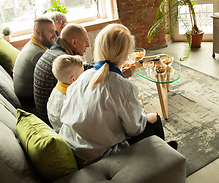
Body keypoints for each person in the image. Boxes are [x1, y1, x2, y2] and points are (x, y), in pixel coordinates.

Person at [58, 23, 175, 168]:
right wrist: (139, 105)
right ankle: (163, 163)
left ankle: (163, 150)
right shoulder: (124, 87)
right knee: (154, 119)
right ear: (126, 54)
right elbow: (135, 129)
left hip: (76, 149)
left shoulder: (83, 76)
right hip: (100, 155)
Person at [33, 23, 91, 124]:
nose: (88, 44)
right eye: (86, 40)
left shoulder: (53, 51)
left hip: (48, 114)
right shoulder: (63, 61)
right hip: (56, 122)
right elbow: (90, 72)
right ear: (74, 42)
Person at [13, 16, 56, 108]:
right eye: (51, 32)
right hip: (30, 101)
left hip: (28, 97)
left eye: (54, 31)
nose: (55, 36)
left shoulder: (32, 45)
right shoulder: (38, 53)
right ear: (38, 32)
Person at [47, 55, 84, 133]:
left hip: (56, 128)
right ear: (73, 79)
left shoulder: (58, 87)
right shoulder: (70, 99)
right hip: (68, 135)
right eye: (82, 74)